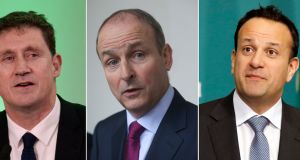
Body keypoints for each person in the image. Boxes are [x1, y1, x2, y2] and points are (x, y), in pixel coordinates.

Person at [90, 9, 197, 160]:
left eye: (138, 54)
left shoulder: (201, 129)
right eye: (112, 62)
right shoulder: (103, 133)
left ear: (166, 57)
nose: (126, 74)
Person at [199, 5, 300, 160]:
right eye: (248, 49)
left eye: (271, 52)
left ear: (291, 68)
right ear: (234, 60)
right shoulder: (196, 123)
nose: (256, 61)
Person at [0, 11, 85, 160]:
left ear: (55, 66)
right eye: (8, 58)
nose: (21, 69)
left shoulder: (92, 130)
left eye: (33, 55)